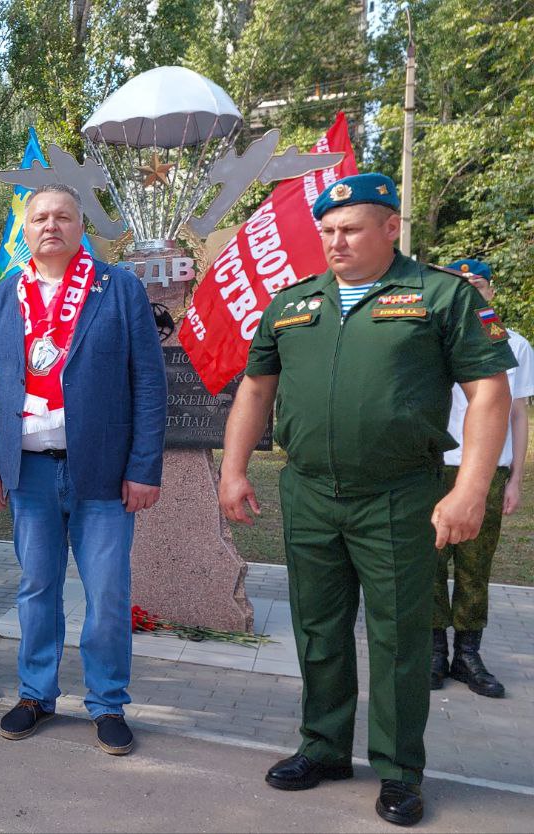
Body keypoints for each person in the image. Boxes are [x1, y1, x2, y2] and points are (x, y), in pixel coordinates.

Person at [218, 174, 515, 828]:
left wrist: (469, 488)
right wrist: (233, 469)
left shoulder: (442, 296)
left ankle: (400, 771)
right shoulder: (294, 303)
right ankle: (322, 747)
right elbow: (256, 390)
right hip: (310, 493)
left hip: (399, 496)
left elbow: (489, 394)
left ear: (390, 228)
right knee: (318, 630)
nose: (335, 242)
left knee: (401, 638)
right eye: (327, 231)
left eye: (350, 229)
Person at [0, 183, 166, 755]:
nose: (50, 226)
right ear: (25, 231)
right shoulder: (5, 295)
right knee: (36, 588)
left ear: (82, 227)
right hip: (28, 472)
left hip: (102, 474)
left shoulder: (119, 288)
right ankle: (36, 694)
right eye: (39, 218)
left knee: (106, 592)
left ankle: (107, 703)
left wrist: (144, 466)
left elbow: (148, 383)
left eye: (62, 216)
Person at [432, 258, 532, 699]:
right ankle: (433, 650)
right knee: (430, 563)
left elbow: (517, 413)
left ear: (491, 291)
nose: (471, 290)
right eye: (461, 284)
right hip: (434, 466)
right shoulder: (432, 337)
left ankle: (467, 655)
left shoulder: (514, 344)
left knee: (476, 566)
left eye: (478, 284)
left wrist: (515, 478)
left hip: (487, 471)